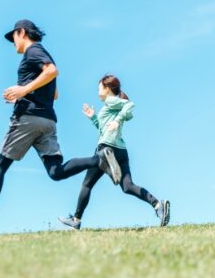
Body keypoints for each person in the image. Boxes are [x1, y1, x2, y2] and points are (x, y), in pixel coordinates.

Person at [0, 20, 119, 233]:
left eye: (14, 37)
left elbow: (52, 71)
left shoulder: (33, 51)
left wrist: (23, 91)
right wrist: (25, 91)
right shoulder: (42, 54)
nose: (13, 43)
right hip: (47, 121)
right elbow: (55, 92)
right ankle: (98, 159)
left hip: (27, 118)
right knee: (55, 172)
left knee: (0, 164)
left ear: (22, 32)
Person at [58, 74, 170, 230]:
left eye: (99, 88)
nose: (98, 92)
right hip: (120, 150)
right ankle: (158, 205)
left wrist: (117, 121)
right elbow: (104, 128)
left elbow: (130, 105)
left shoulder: (112, 101)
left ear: (107, 88)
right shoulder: (110, 106)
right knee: (127, 186)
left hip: (106, 148)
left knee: (87, 184)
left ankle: (76, 219)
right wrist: (93, 118)